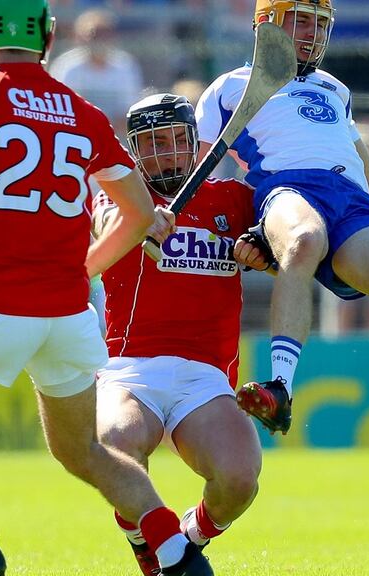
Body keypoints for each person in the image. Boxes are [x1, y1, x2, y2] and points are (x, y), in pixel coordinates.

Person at [0, 2, 213, 575]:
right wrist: (85, 269)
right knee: (83, 452)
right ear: (50, 39)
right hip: (70, 314)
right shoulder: (83, 113)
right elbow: (136, 215)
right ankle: (177, 554)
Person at [196, 0, 369, 471]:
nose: (311, 33)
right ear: (268, 24)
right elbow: (203, 172)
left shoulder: (334, 89)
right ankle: (279, 389)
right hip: (286, 189)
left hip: (351, 201)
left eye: (318, 24)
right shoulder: (228, 88)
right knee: (304, 240)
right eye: (300, 21)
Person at [92, 94, 271, 575]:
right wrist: (141, 220)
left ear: (195, 144)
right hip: (132, 369)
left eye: (176, 141)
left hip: (206, 378)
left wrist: (261, 248)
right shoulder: (120, 197)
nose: (168, 153)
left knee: (239, 481)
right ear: (134, 152)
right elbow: (104, 226)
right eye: (154, 144)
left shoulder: (233, 200)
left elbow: (280, 239)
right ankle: (148, 543)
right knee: (117, 445)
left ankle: (185, 541)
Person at [48, 8, 143, 135]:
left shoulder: (125, 66)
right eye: (93, 35)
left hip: (116, 138)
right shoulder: (67, 67)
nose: (99, 40)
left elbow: (129, 112)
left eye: (104, 34)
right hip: (75, 134)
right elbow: (59, 109)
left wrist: (103, 132)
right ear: (80, 37)